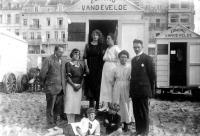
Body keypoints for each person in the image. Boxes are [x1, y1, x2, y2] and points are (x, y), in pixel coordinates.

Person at [130, 39, 156, 136]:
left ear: (142, 47)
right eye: (134, 47)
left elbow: (152, 76)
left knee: (144, 111)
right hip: (135, 91)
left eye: (138, 47)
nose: (136, 49)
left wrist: (151, 91)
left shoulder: (147, 59)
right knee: (136, 111)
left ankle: (145, 132)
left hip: (144, 90)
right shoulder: (133, 60)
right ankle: (138, 130)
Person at [39, 45, 67, 128]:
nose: (61, 53)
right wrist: (45, 84)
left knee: (57, 107)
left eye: (62, 52)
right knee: (50, 107)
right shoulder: (48, 60)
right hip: (51, 88)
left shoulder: (63, 60)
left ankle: (54, 122)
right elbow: (42, 74)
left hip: (61, 88)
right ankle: (50, 124)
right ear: (55, 51)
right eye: (59, 52)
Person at [112, 50, 134, 132]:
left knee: (126, 104)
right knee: (118, 103)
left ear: (127, 58)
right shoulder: (115, 67)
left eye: (125, 57)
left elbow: (132, 78)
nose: (123, 59)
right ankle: (118, 123)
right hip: (117, 86)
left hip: (126, 86)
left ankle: (127, 123)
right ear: (119, 58)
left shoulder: (130, 67)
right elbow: (112, 79)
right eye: (121, 57)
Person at [83, 29, 105, 109]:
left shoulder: (101, 46)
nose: (95, 36)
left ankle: (97, 108)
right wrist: (87, 67)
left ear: (99, 36)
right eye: (94, 35)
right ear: (92, 36)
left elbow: (103, 58)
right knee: (90, 87)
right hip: (90, 68)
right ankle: (91, 107)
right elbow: (85, 57)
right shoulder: (88, 45)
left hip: (99, 69)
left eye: (97, 35)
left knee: (98, 87)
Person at [99, 33, 121, 111]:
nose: (107, 40)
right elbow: (104, 58)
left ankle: (112, 106)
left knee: (111, 87)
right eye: (107, 38)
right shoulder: (108, 49)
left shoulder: (116, 48)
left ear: (113, 40)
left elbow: (120, 59)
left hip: (112, 69)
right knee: (105, 87)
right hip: (106, 70)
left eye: (109, 38)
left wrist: (117, 71)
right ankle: (105, 105)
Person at [64, 48, 85, 123]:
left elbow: (83, 77)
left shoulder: (81, 66)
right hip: (70, 87)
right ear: (72, 54)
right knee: (69, 104)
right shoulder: (68, 64)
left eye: (78, 54)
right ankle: (69, 122)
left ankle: (73, 122)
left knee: (75, 105)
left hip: (79, 87)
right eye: (75, 53)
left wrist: (80, 86)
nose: (77, 55)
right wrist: (73, 86)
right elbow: (68, 77)